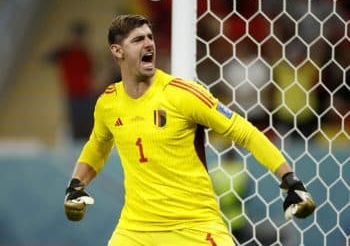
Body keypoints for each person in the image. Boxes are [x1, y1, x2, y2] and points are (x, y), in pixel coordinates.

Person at [63, 14, 316, 246]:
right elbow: (97, 145)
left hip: (195, 226)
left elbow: (245, 132)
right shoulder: (108, 103)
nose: (148, 44)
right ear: (117, 51)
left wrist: (289, 179)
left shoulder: (182, 94)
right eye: (138, 39)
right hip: (136, 230)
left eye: (150, 37)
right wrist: (76, 185)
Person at [46, 21, 96, 140]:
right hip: (73, 94)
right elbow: (47, 58)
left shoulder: (85, 53)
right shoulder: (65, 52)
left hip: (86, 94)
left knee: (88, 123)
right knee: (76, 124)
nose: (79, 38)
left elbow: (91, 72)